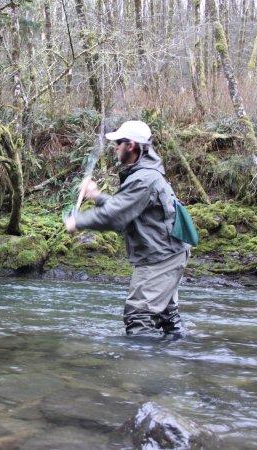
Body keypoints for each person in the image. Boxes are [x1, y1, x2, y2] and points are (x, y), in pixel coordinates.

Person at [64, 120, 189, 337]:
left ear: (130, 145)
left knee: (139, 316)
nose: (115, 148)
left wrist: (77, 222)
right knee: (167, 317)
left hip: (161, 258)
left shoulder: (144, 178)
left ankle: (139, 367)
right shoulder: (146, 173)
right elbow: (128, 208)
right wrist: (96, 196)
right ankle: (178, 360)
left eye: (118, 143)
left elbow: (115, 216)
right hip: (169, 253)